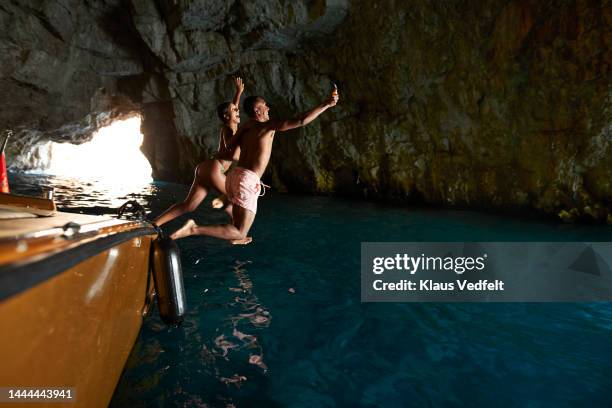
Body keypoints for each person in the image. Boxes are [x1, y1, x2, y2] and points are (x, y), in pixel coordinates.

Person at [170, 88, 339, 241]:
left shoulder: (246, 128)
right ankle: (194, 229)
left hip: (236, 176)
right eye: (265, 105)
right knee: (240, 231)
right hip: (246, 179)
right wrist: (326, 104)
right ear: (257, 111)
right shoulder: (267, 126)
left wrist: (252, 177)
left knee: (237, 225)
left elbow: (229, 147)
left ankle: (235, 234)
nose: (268, 108)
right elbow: (301, 120)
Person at [154, 77, 252, 245]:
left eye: (237, 110)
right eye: (235, 110)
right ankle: (237, 236)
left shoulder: (230, 126)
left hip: (206, 168)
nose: (238, 111)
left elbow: (232, 110)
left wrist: (238, 93)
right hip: (215, 168)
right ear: (226, 115)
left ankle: (154, 224)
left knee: (188, 206)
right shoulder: (230, 129)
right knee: (235, 199)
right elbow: (234, 156)